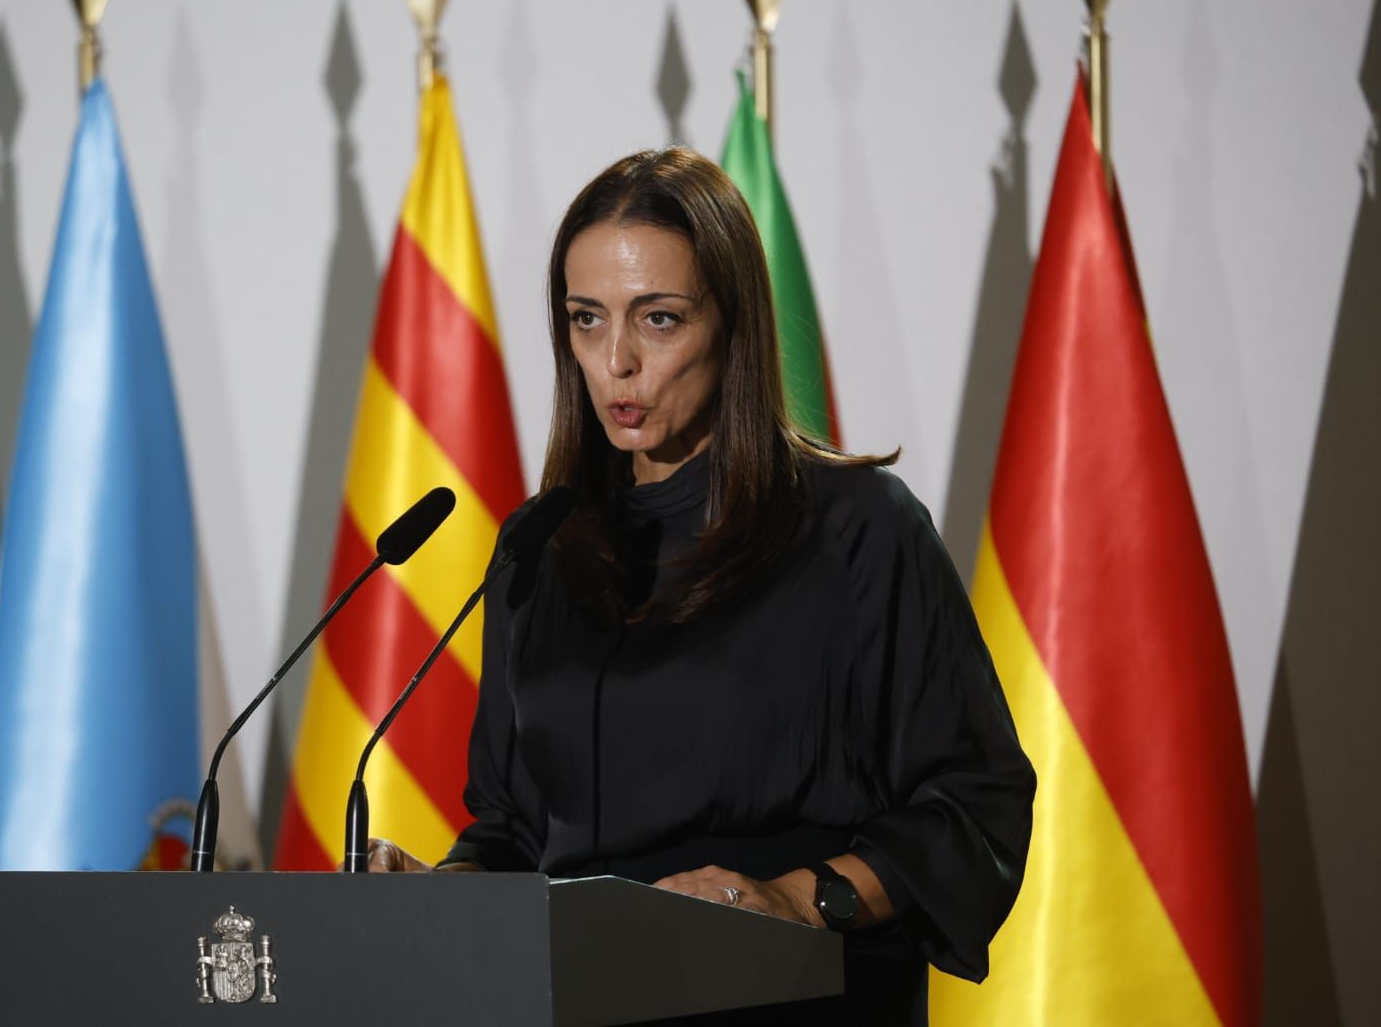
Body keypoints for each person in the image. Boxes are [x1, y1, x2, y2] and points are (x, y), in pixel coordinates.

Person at [368, 147, 1034, 1024]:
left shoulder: (858, 530)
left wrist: (797, 899)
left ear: (733, 322)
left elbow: (974, 807)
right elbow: (514, 830)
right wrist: (446, 888)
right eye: (586, 319)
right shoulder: (539, 549)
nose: (616, 362)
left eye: (659, 319)